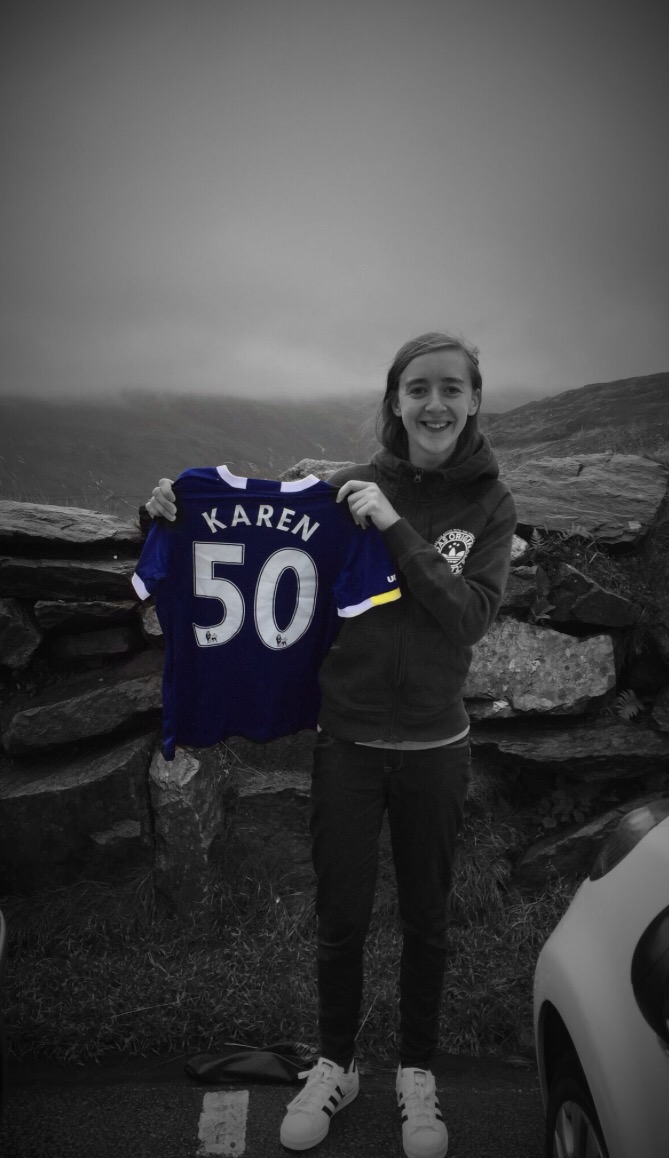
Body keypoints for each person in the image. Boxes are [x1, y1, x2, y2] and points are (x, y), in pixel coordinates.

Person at [144, 331, 516, 1158]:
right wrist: (170, 509)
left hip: (435, 745)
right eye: (417, 388)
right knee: (339, 917)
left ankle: (415, 1073)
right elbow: (257, 536)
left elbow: (468, 617)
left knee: (426, 921)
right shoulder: (348, 487)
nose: (433, 403)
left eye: (450, 388)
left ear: (473, 401)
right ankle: (336, 1064)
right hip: (346, 739)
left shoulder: (492, 503)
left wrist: (394, 528)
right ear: (395, 401)